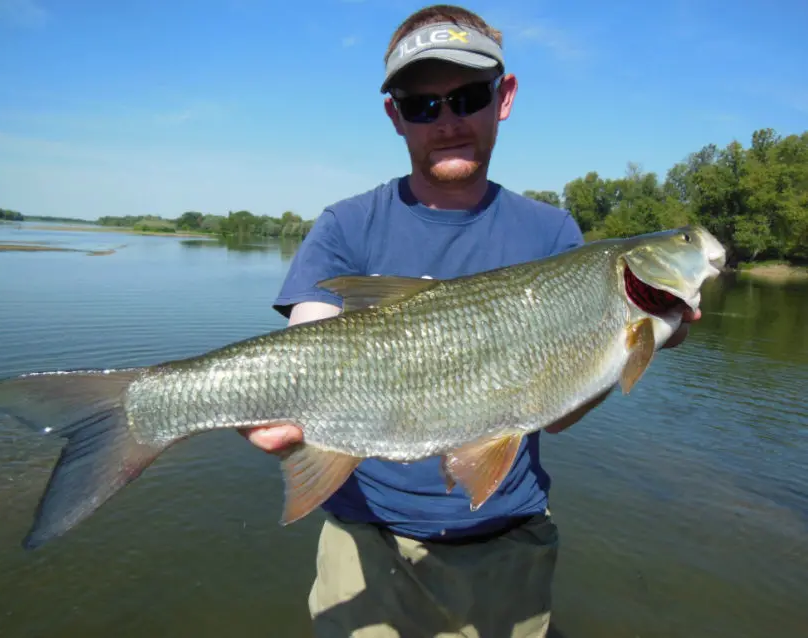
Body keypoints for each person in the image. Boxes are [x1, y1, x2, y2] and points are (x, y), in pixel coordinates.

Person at [241, 4, 699, 637]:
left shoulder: (552, 233)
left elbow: (558, 412)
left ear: (503, 97)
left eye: (468, 96)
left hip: (508, 544)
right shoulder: (346, 225)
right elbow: (306, 343)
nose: (448, 120)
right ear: (394, 116)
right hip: (364, 545)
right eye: (422, 104)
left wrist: (637, 340)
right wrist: (279, 408)